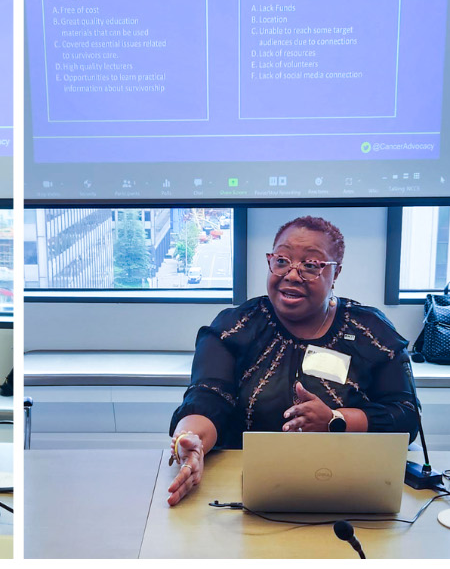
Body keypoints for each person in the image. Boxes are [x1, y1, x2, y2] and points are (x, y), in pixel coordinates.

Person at [166, 216, 419, 505]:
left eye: (311, 265)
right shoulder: (235, 327)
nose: (292, 274)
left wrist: (336, 421)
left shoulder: (371, 331)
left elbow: (406, 416)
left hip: (349, 488)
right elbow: (208, 398)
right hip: (243, 489)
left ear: (335, 274)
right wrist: (192, 441)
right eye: (282, 260)